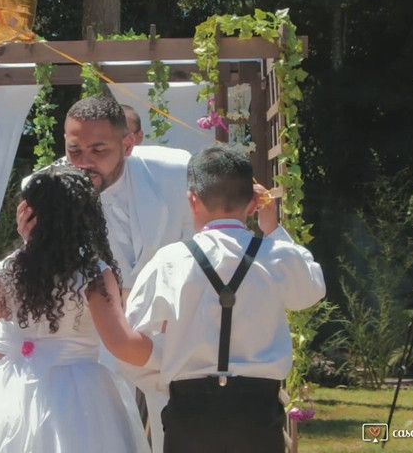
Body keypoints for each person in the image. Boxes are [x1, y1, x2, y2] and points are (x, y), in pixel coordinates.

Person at [123, 144, 326, 453]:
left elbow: (134, 329)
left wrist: (165, 374)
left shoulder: (171, 260)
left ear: (192, 200)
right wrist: (272, 229)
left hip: (190, 411)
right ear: (254, 202)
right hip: (257, 411)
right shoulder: (277, 255)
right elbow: (311, 291)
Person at [0, 164, 152, 453]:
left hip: (16, 387)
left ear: (30, 215)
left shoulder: (12, 268)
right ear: (87, 218)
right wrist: (159, 348)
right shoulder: (94, 273)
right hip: (81, 396)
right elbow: (119, 342)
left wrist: (26, 353)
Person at [62, 95, 193, 451]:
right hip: (93, 335)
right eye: (74, 151)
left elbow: (197, 251)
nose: (84, 162)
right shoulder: (50, 188)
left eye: (98, 150)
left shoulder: (177, 171)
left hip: (169, 329)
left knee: (176, 432)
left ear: (129, 144)